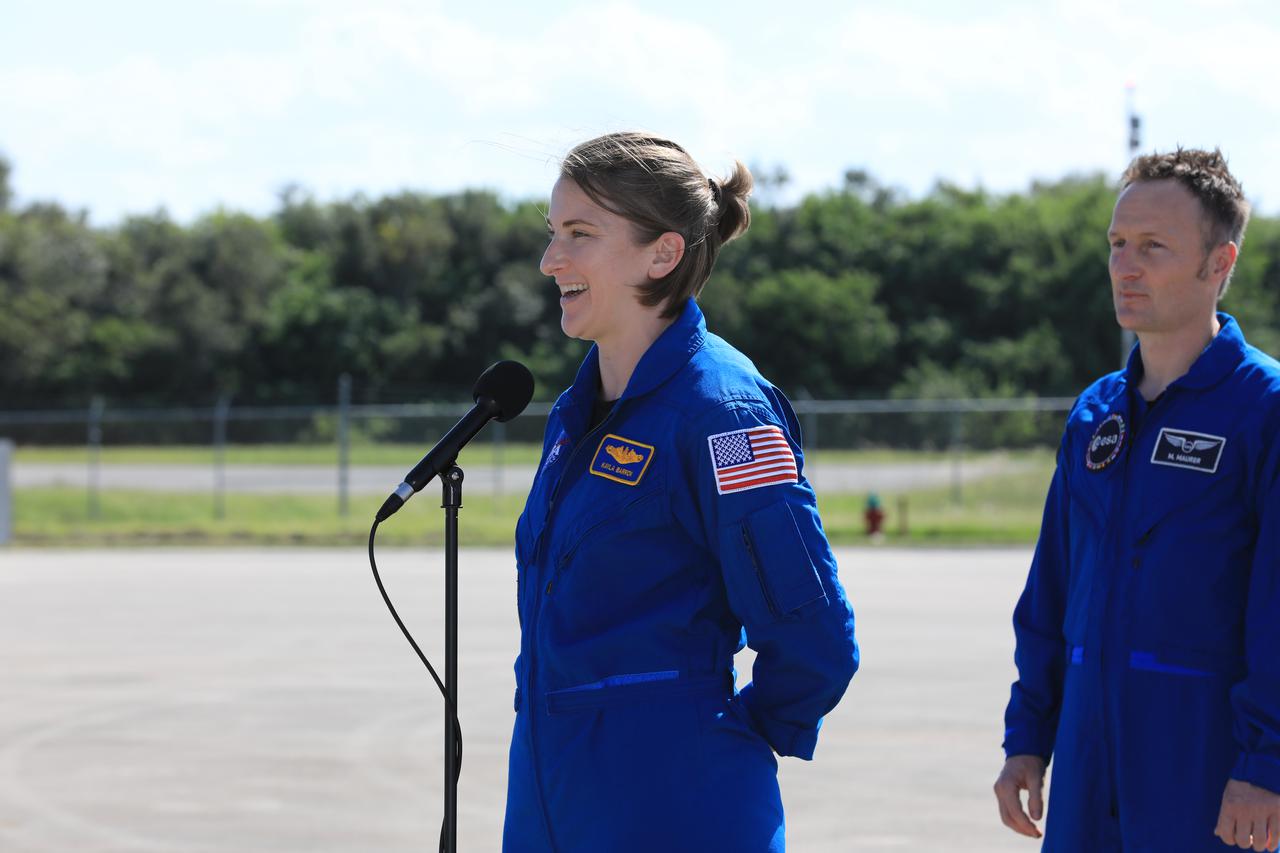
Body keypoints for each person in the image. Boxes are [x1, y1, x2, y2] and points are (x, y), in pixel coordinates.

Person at [503, 132, 858, 852]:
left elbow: (812, 635)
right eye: (552, 233)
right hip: (555, 799)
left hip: (674, 807)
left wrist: (704, 735)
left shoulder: (724, 412)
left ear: (662, 253)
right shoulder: (576, 417)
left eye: (580, 234)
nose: (550, 261)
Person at [994, 148, 1280, 852]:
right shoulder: (1096, 415)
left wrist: (1266, 762)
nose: (1126, 265)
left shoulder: (1263, 410)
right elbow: (1052, 591)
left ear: (1220, 263)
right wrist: (1028, 735)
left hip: (1207, 764)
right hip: (1088, 759)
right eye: (1119, 243)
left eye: (1154, 246)